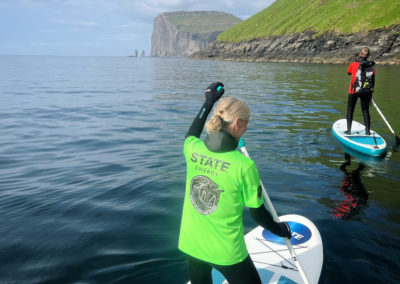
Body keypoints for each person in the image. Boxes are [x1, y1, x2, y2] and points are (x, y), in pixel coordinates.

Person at [179, 82, 292, 284]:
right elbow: (258, 215)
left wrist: (207, 102)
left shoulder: (192, 150)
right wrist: (280, 229)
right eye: (247, 123)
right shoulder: (244, 166)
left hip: (191, 244)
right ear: (237, 123)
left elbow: (191, 134)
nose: (247, 128)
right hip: (227, 251)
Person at [345, 47, 376, 135]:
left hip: (353, 90)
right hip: (366, 91)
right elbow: (373, 80)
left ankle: (349, 130)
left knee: (350, 110)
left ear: (360, 54)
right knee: (365, 110)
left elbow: (349, 73)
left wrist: (355, 62)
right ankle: (367, 131)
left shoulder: (353, 64)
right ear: (368, 56)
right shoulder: (371, 65)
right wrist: (371, 92)